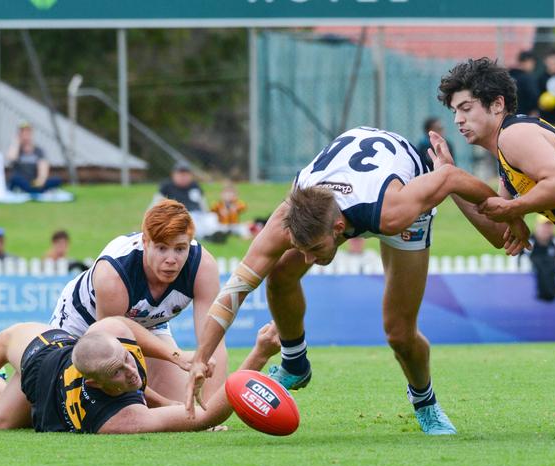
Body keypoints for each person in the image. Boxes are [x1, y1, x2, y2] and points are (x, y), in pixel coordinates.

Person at [185, 125, 530, 435]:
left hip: (396, 184)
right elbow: (237, 288)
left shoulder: (393, 212)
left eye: (315, 249)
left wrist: (509, 211)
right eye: (301, 248)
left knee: (399, 333)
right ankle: (295, 363)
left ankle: (425, 404)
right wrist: (202, 356)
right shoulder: (289, 216)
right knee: (280, 271)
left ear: (339, 230)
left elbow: (452, 178)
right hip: (347, 177)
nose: (309, 260)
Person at [436, 57, 555, 425]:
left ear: (497, 105)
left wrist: (516, 209)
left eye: (466, 108)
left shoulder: (515, 135)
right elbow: (501, 234)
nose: (458, 119)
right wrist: (451, 179)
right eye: (454, 111)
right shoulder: (505, 160)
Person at [0, 316, 279, 433]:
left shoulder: (112, 340)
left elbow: (126, 325)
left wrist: (179, 358)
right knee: (1, 345)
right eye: (117, 372)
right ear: (95, 383)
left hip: (58, 350)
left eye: (126, 361)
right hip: (41, 366)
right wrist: (259, 353)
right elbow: (206, 418)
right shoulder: (116, 421)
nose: (131, 372)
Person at [50, 199, 228, 403]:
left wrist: (212, 412)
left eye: (180, 249)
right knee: (68, 401)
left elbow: (213, 341)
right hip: (84, 324)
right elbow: (110, 340)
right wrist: (175, 360)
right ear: (145, 242)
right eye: (161, 248)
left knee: (183, 406)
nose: (171, 259)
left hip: (149, 324)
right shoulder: (114, 274)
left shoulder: (203, 267)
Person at [154, 161, 219, 240]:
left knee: (212, 217)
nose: (183, 177)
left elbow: (202, 202)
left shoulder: (194, 185)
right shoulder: (167, 186)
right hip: (180, 216)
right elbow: (156, 204)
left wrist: (206, 213)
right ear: (173, 174)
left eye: (186, 174)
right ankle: (206, 236)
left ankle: (213, 234)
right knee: (191, 222)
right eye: (180, 174)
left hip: (198, 214)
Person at [6, 122, 62, 194]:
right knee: (15, 178)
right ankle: (37, 190)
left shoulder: (38, 151)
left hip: (33, 181)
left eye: (28, 132)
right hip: (21, 181)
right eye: (23, 132)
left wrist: (41, 180)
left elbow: (43, 167)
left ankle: (34, 189)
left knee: (56, 179)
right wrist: (16, 142)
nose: (26, 135)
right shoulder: (17, 149)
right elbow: (11, 158)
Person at [525, 215, 555, 302]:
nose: (546, 229)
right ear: (537, 226)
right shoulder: (529, 241)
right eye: (544, 225)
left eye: (549, 226)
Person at [508, 50, 540, 117]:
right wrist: (534, 109)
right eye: (532, 63)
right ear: (528, 61)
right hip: (525, 116)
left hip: (508, 116)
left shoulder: (507, 76)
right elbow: (534, 96)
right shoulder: (527, 78)